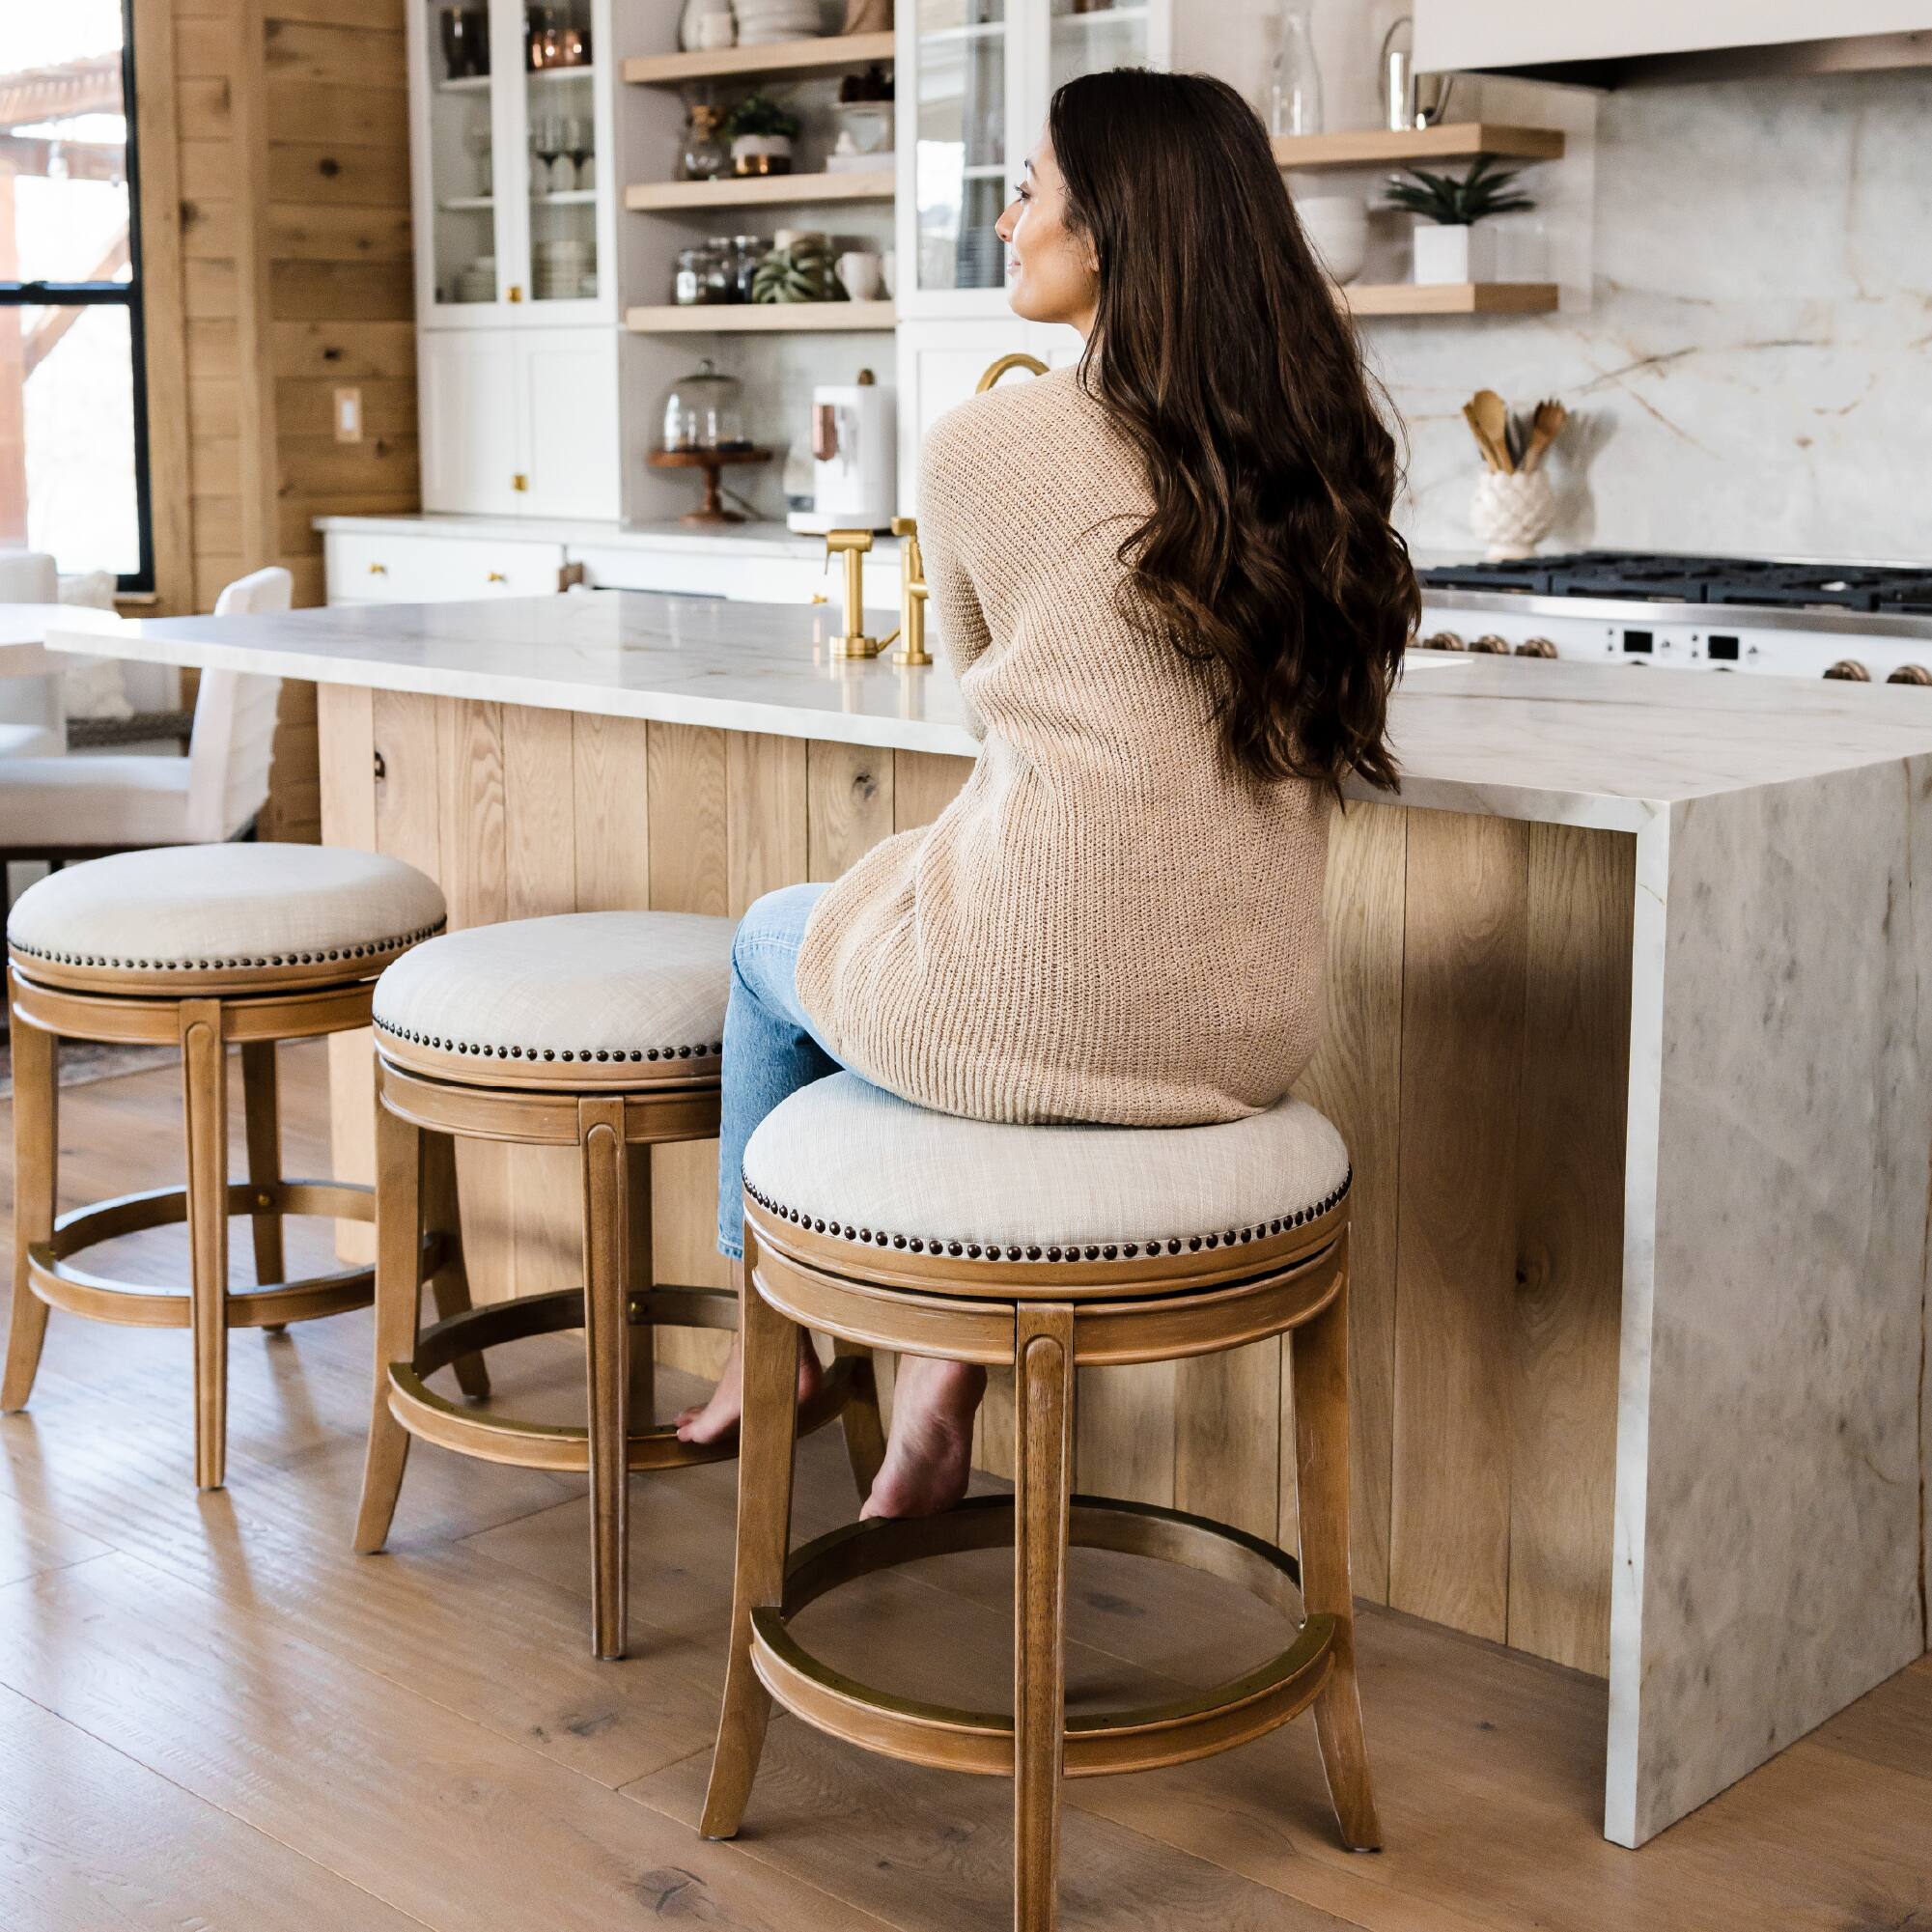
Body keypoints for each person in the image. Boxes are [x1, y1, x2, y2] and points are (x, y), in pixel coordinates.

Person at [677, 67, 1417, 1517]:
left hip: (1036, 1000)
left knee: (777, 940)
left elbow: (979, 676)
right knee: (946, 907)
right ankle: (939, 1390)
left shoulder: (987, 446)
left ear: (1111, 234)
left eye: (1029, 193)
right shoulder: (1309, 461)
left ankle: (786, 1333)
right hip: (1247, 1027)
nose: (1008, 224)